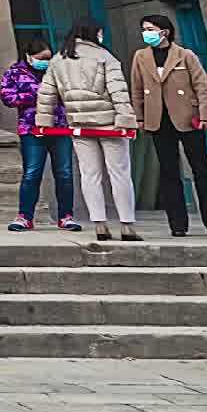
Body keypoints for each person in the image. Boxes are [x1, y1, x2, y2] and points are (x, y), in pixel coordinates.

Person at [36, 18, 138, 243]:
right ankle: (127, 224)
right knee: (119, 174)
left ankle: (99, 224)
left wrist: (44, 123)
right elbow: (118, 91)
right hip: (109, 122)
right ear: (95, 33)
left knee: (89, 175)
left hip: (79, 124)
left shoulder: (58, 60)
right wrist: (127, 120)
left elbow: (46, 95)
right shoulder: (105, 57)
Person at [128, 15, 207, 238]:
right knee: (169, 172)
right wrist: (139, 117)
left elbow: (202, 86)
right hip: (158, 120)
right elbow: (137, 89)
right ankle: (178, 224)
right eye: (144, 29)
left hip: (188, 118)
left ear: (165, 32)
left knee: (202, 170)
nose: (146, 33)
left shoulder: (185, 55)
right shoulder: (141, 57)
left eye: (151, 29)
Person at [0, 33, 72, 231]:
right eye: (41, 59)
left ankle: (66, 216)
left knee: (64, 173)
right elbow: (8, 97)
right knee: (32, 173)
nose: (45, 63)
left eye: (48, 58)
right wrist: (36, 95)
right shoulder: (15, 73)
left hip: (59, 127)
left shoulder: (58, 71)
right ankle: (25, 216)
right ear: (29, 56)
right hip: (31, 129)